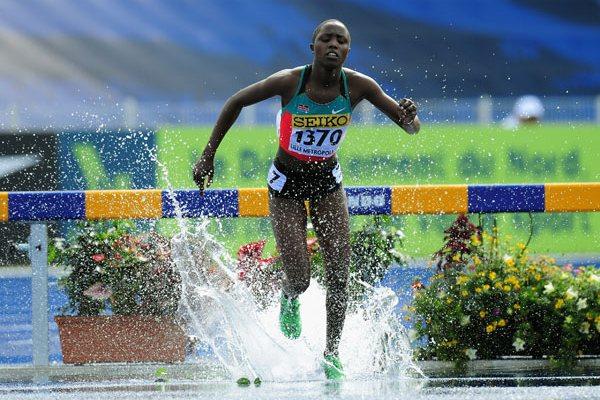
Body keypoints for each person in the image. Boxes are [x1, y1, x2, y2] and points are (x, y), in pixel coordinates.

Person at [193, 19, 420, 380]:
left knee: (339, 273)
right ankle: (289, 296)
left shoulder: (360, 86)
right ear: (312, 47)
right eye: (325, 38)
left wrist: (410, 117)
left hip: (328, 184)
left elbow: (409, 127)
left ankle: (331, 354)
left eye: (341, 40)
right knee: (300, 279)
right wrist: (208, 154)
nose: (333, 44)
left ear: (348, 50)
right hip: (285, 186)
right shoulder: (289, 81)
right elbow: (236, 101)